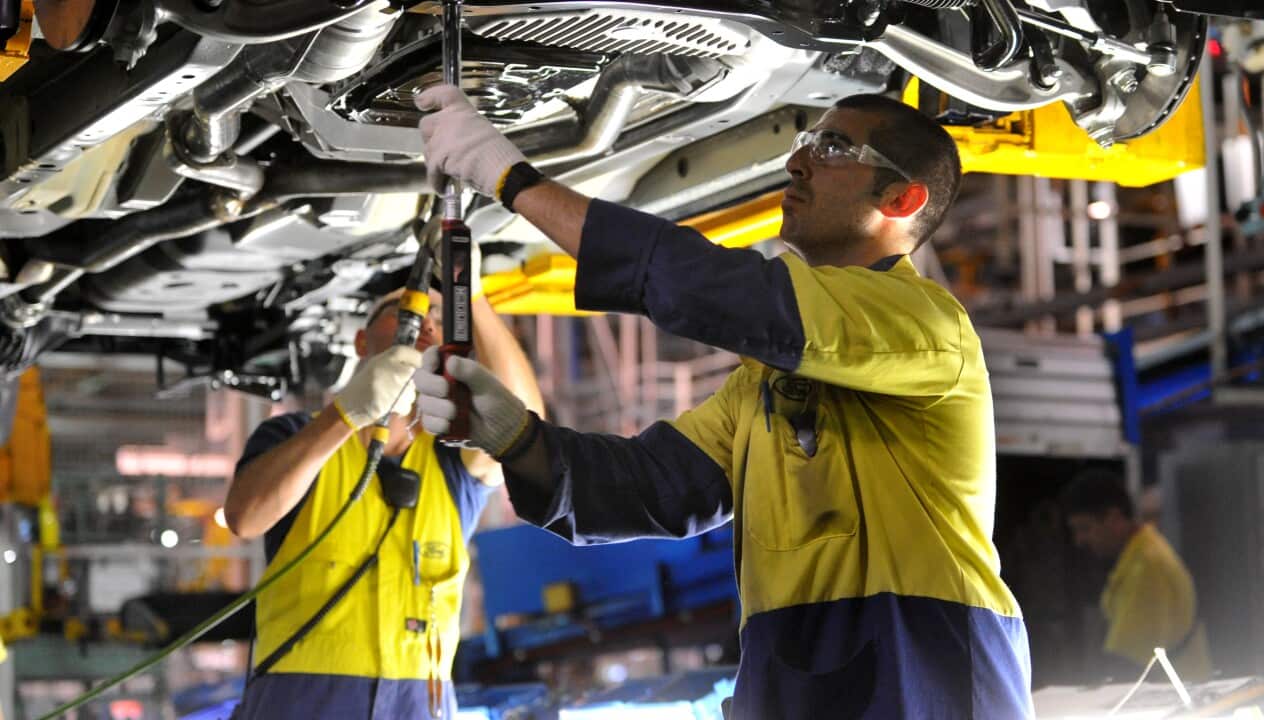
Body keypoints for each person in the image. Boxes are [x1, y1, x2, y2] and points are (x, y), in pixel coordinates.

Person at [411, 86, 1033, 718]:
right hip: (802, 672)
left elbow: (721, 292)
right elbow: (652, 487)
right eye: (804, 142)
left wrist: (514, 181)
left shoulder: (926, 323)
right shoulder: (764, 385)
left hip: (927, 667)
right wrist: (512, 436)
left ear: (902, 199)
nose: (798, 162)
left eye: (834, 146)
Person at [223, 271, 543, 720]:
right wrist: (344, 415)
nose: (426, 324)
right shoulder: (298, 436)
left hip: (420, 703)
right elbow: (245, 517)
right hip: (302, 701)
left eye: (437, 316)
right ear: (360, 342)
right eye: (404, 313)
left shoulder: (452, 458)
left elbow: (522, 425)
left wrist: (471, 295)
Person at [1061, 469, 1212, 681]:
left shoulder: (1146, 566)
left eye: (1085, 528)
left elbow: (1126, 664)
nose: (1079, 540)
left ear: (1114, 518)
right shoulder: (1138, 552)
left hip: (1171, 703)